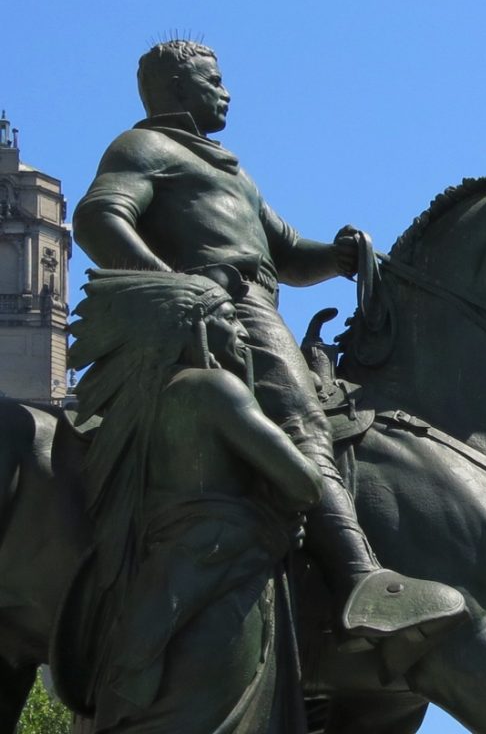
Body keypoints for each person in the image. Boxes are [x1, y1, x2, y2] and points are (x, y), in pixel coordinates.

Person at [72, 40, 464, 649]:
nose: (226, 91)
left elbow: (284, 253)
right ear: (179, 88)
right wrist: (181, 289)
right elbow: (99, 218)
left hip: (255, 300)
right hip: (229, 311)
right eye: (214, 80)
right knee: (305, 421)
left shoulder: (230, 169)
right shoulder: (144, 147)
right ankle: (362, 578)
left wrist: (337, 257)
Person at [65, 267, 318, 732]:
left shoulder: (136, 410)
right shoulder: (214, 388)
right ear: (195, 326)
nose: (242, 331)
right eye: (228, 318)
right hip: (223, 584)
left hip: (161, 591)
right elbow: (304, 484)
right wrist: (305, 426)